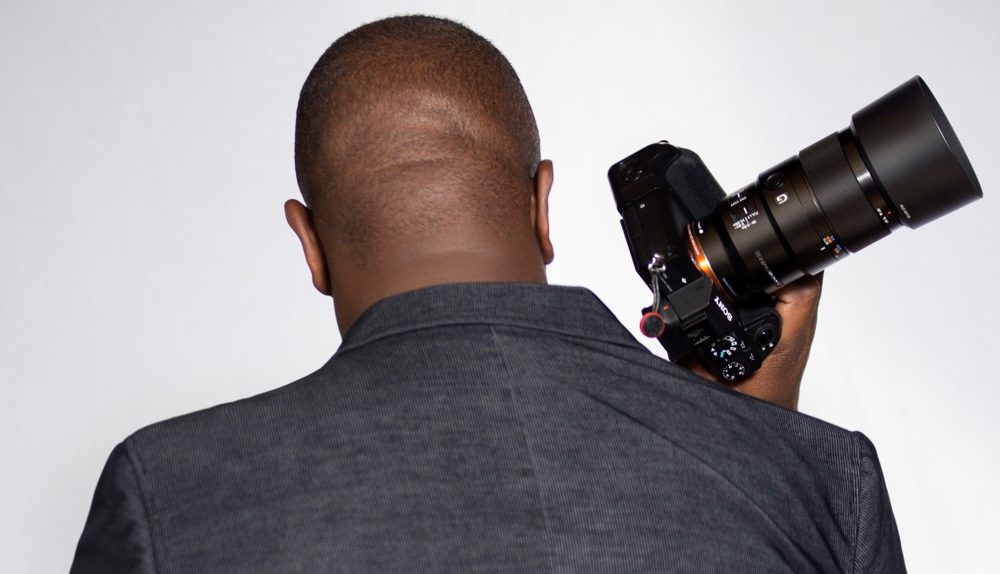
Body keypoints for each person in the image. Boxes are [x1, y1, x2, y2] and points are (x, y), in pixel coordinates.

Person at [70, 15, 905, 573]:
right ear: (542, 206)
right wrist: (758, 441)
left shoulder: (167, 491)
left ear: (310, 244)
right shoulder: (830, 480)